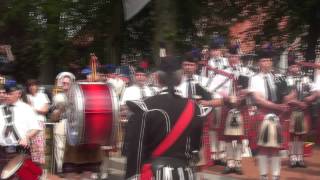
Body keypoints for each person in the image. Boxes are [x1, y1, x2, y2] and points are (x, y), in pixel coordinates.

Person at [125, 56, 206, 180]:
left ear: (157, 78)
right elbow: (196, 147)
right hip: (184, 174)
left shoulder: (144, 107)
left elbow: (136, 149)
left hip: (153, 174)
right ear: (180, 79)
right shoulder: (195, 108)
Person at [248, 48, 290, 180]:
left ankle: (276, 176)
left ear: (272, 62)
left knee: (276, 148)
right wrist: (277, 106)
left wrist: (288, 98)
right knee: (263, 148)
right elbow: (258, 98)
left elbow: (287, 95)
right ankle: (263, 176)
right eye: (264, 60)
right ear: (259, 63)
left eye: (269, 60)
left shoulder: (279, 78)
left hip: (278, 115)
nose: (267, 63)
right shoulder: (254, 79)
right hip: (262, 113)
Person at [0, 81, 42, 174]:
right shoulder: (0, 108)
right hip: (2, 151)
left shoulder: (27, 109)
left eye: (10, 94)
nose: (7, 96)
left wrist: (26, 137)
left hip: (20, 150)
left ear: (18, 94)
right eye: (6, 93)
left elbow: (36, 127)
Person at [26, 79, 50, 166]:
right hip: (29, 124)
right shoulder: (27, 97)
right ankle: (32, 169)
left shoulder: (43, 96)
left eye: (34, 85)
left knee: (40, 147)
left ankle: (40, 168)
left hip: (39, 122)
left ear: (37, 86)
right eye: (30, 85)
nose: (32, 87)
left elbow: (45, 110)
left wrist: (33, 109)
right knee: (31, 147)